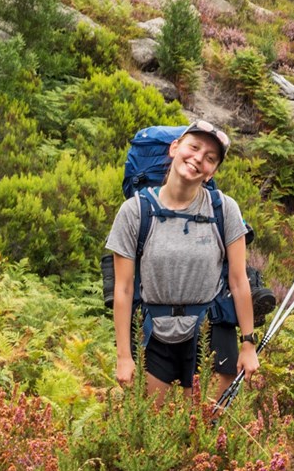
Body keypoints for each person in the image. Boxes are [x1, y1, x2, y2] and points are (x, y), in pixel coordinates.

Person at [105, 121, 259, 395]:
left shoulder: (224, 209)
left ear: (212, 172)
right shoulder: (134, 211)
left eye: (210, 158)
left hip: (211, 327)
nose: (199, 158)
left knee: (210, 419)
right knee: (153, 421)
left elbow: (238, 281)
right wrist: (123, 356)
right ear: (174, 148)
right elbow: (124, 288)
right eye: (194, 147)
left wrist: (248, 344)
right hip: (154, 331)